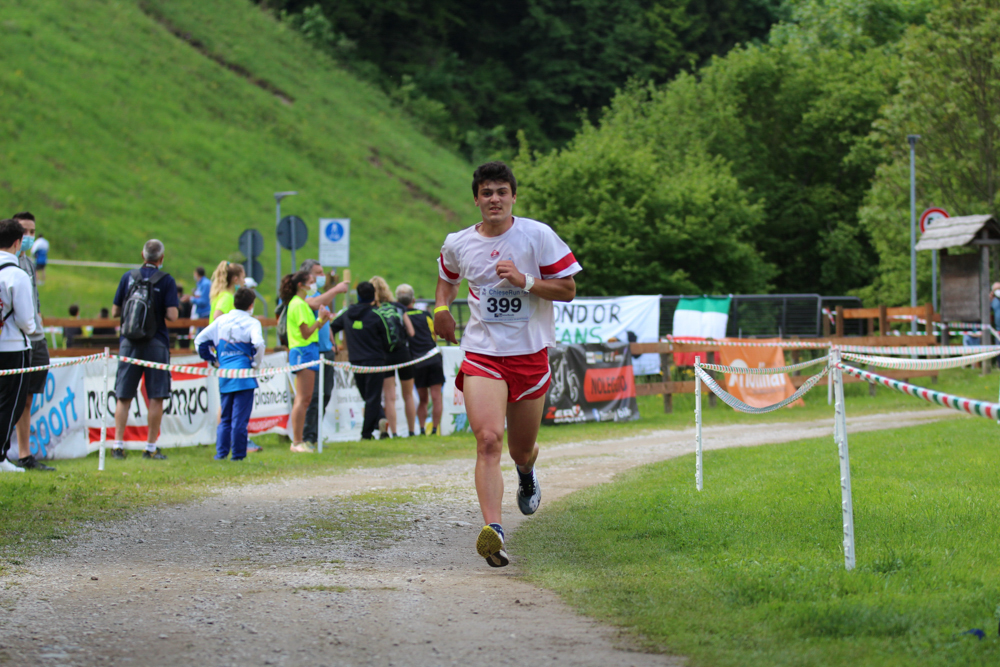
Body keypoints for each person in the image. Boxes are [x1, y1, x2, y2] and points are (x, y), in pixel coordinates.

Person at [435, 161, 581, 567]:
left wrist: (524, 281)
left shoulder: (538, 236)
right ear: (476, 199)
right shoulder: (459, 242)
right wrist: (441, 308)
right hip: (483, 354)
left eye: (502, 192)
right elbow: (447, 277)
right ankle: (494, 531)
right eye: (487, 192)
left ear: (513, 196)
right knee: (487, 440)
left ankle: (526, 472)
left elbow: (568, 289)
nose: (494, 199)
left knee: (520, 449)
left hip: (529, 356)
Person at [109, 239, 179, 460]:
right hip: (156, 343)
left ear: (143, 255)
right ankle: (149, 447)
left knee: (124, 396)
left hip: (129, 343)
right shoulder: (166, 280)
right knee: (156, 396)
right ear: (161, 258)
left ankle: (117, 445)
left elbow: (115, 311)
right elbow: (173, 315)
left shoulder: (128, 277)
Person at [195, 287, 265, 461]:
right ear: (251, 305)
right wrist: (255, 363)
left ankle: (221, 454)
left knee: (225, 417)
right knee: (239, 419)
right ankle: (238, 455)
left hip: (225, 373)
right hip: (244, 376)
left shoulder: (221, 321)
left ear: (234, 303)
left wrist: (213, 360)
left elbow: (199, 341)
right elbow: (259, 344)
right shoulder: (252, 322)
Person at [11, 212, 55, 471]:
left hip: (37, 338)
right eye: (24, 231)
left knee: (28, 398)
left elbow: (34, 299)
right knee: (12, 398)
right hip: (17, 341)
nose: (28, 236)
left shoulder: (29, 263)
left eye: (32, 231)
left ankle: (24, 454)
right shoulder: (8, 264)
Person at [329, 281, 392, 440]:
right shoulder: (377, 315)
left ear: (357, 295)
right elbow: (388, 339)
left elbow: (331, 327)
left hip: (356, 361)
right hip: (375, 361)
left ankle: (380, 419)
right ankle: (366, 433)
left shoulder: (346, 313)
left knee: (366, 396)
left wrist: (333, 345)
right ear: (373, 296)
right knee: (372, 397)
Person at [300, 259, 351, 446]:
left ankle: (315, 434)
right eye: (319, 273)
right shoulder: (303, 296)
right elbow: (314, 305)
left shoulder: (319, 295)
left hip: (326, 351)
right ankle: (307, 436)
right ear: (308, 275)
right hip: (312, 352)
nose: (322, 276)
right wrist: (336, 289)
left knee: (325, 394)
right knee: (313, 396)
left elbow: (326, 320)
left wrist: (332, 342)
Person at [0, 219, 37, 473]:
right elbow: (26, 320)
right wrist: (31, 328)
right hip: (13, 347)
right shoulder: (17, 275)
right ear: (17, 242)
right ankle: (1, 456)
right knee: (10, 405)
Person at [281, 270, 331, 452]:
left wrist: (322, 320)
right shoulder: (298, 304)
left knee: (306, 398)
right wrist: (320, 320)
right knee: (302, 398)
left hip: (309, 350)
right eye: (311, 281)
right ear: (301, 285)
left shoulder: (300, 303)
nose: (314, 284)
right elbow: (306, 333)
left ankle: (299, 440)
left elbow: (312, 329)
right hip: (303, 350)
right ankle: (297, 441)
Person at [371, 276, 416, 437]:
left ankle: (394, 432)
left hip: (385, 356)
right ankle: (412, 431)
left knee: (389, 397)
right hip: (403, 353)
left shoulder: (374, 310)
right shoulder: (398, 307)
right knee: (408, 395)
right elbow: (411, 332)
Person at [399, 286, 445, 435]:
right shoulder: (425, 314)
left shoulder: (401, 316)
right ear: (413, 300)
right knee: (436, 397)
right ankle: (435, 430)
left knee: (422, 399)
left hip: (416, 361)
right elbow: (434, 335)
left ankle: (422, 429)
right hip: (433, 357)